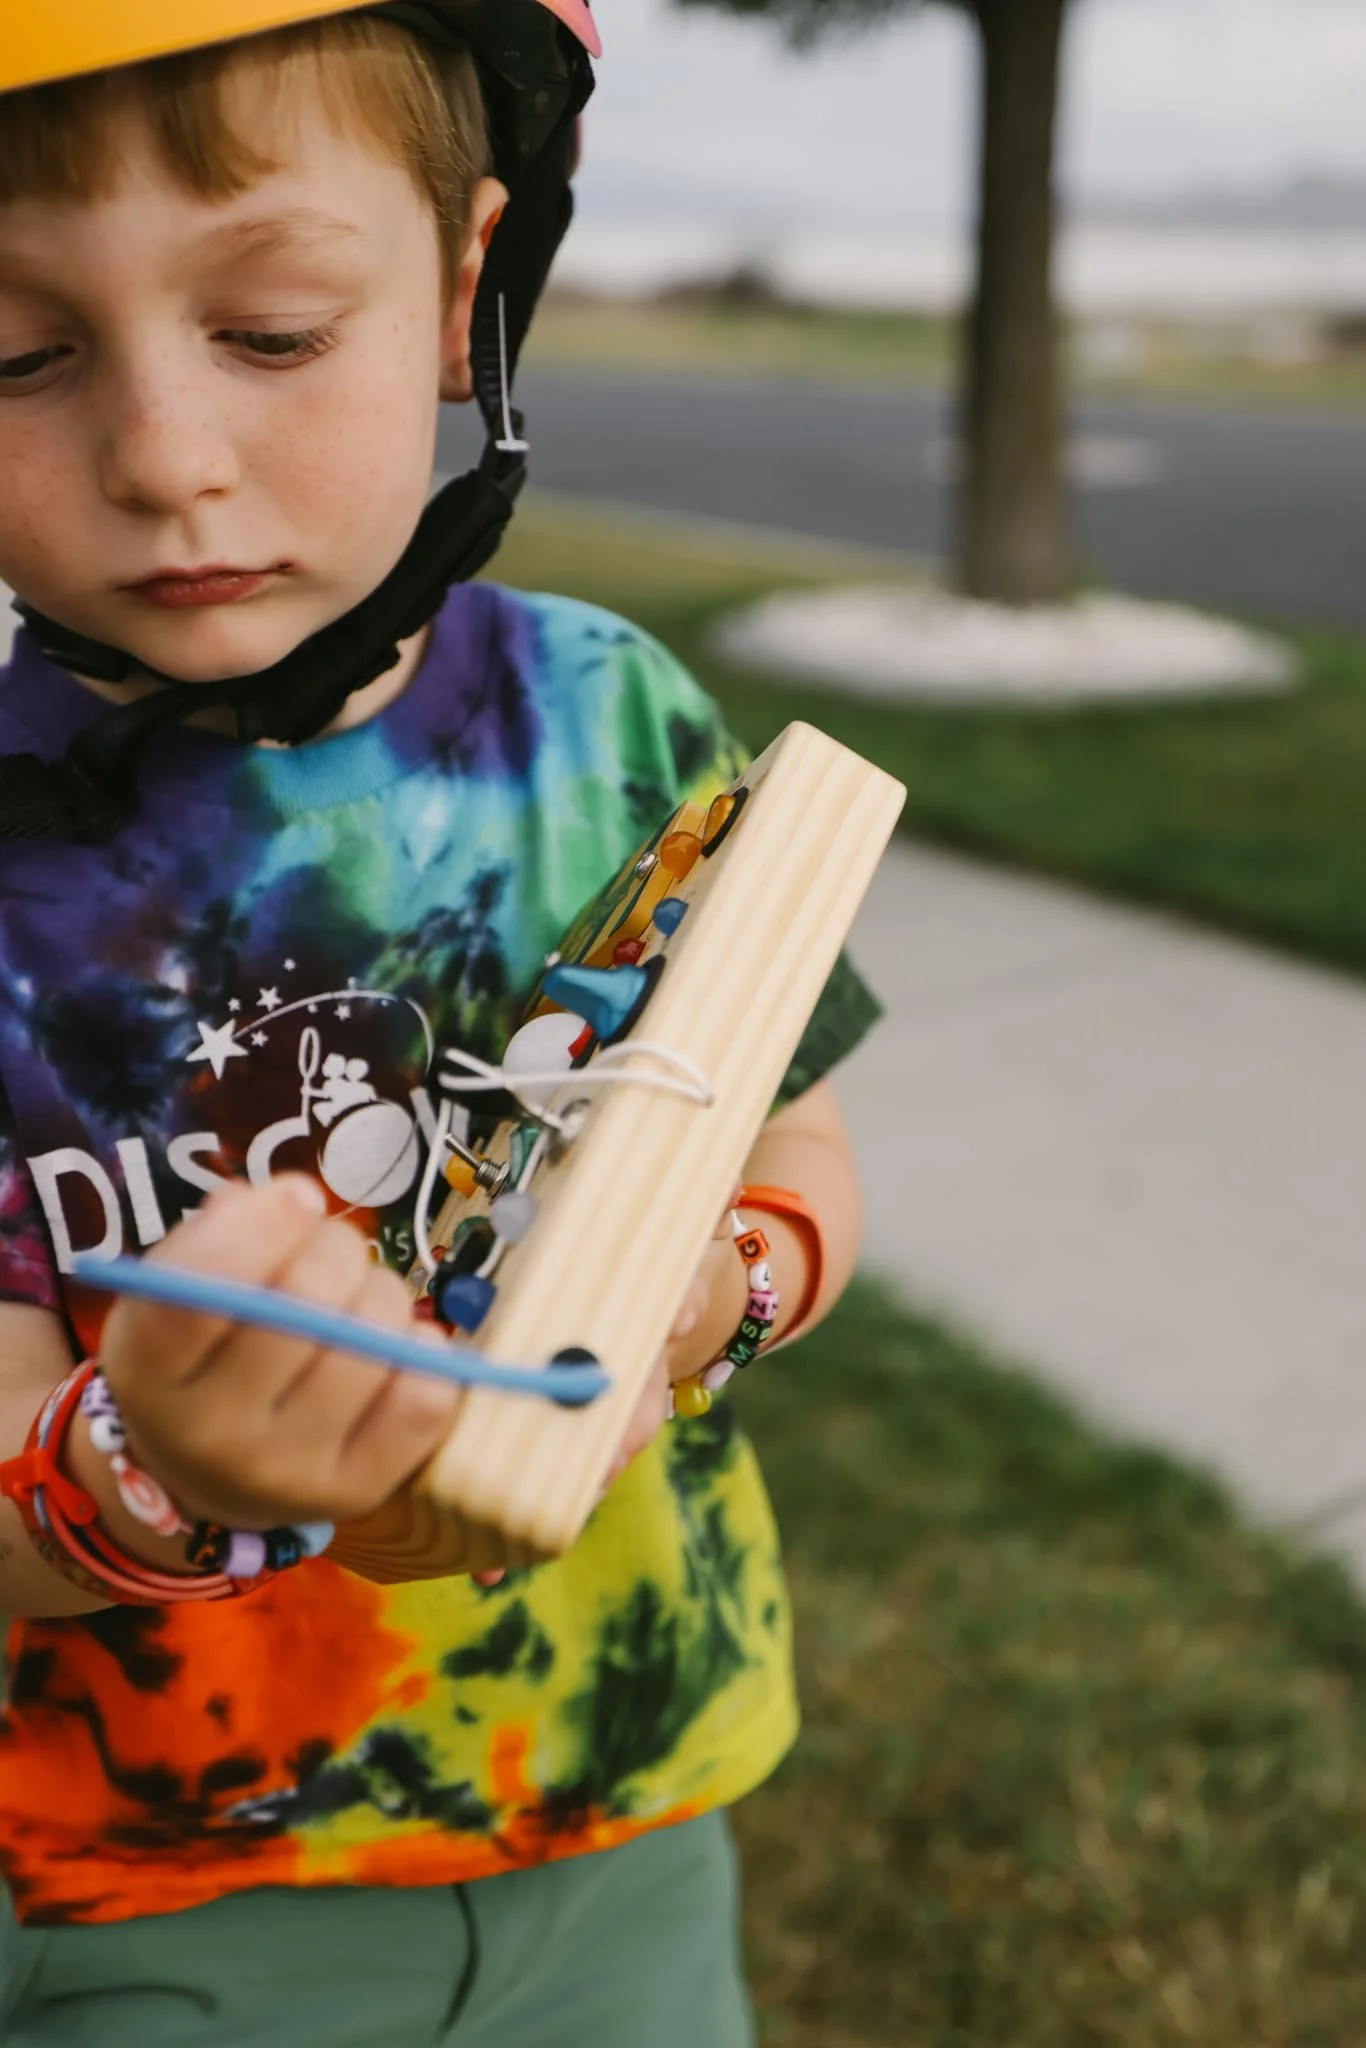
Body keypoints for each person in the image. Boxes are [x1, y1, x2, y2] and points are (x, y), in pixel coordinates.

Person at [0, 5, 879, 2042]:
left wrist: (716, 1283)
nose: (163, 454)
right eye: (19, 353)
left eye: (276, 329)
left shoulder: (610, 721)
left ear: (463, 283)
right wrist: (157, 1466)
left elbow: (789, 1137)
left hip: (630, 1816)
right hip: (163, 1902)